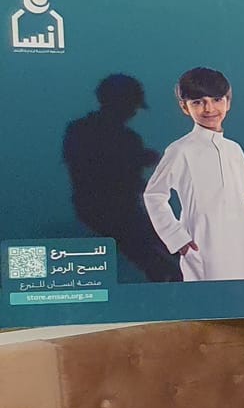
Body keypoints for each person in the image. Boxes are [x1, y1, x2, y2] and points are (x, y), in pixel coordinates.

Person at [143, 66, 244, 281]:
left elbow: (240, 197)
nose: (209, 108)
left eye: (216, 99)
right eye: (198, 102)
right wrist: (178, 239)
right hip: (204, 243)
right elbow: (154, 195)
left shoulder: (234, 150)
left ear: (228, 102)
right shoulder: (181, 150)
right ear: (184, 107)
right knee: (213, 296)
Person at [62, 73, 179, 282]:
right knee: (162, 264)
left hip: (113, 211)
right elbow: (99, 172)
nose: (133, 112)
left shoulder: (82, 131)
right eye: (131, 105)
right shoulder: (115, 138)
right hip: (112, 213)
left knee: (170, 254)